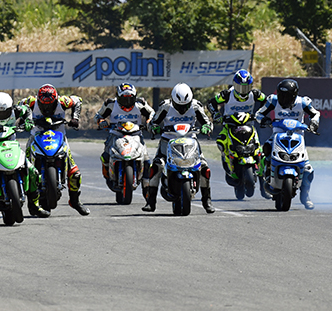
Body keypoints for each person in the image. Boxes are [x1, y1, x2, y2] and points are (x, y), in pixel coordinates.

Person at [0, 92, 50, 224]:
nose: (2, 115)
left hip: (12, 145)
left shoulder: (17, 110)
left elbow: (28, 110)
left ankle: (34, 205)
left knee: (33, 172)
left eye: (5, 112)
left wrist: (28, 121)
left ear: (11, 108)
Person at [142, 83, 215, 214]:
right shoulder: (165, 106)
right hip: (168, 141)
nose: (182, 109)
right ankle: (151, 201)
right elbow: (153, 123)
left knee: (204, 167)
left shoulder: (196, 106)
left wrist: (207, 127)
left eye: (185, 106)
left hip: (190, 141)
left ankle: (207, 200)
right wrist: (154, 128)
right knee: (157, 165)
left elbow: (207, 122)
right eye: (179, 106)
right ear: (173, 101)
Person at [19, 84, 90, 216]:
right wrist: (24, 119)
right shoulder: (31, 101)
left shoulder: (63, 101)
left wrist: (75, 118)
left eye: (50, 105)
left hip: (59, 136)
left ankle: (75, 201)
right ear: (38, 100)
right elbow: (19, 106)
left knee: (75, 173)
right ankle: (27, 200)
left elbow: (78, 100)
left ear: (56, 100)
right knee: (25, 167)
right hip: (36, 136)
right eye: (44, 105)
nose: (47, 109)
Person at [254, 78, 320, 210]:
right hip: (277, 135)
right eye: (281, 95)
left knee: (308, 169)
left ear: (294, 95)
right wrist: (265, 120)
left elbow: (315, 113)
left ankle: (305, 195)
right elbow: (259, 114)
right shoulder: (272, 100)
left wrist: (314, 123)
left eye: (287, 96)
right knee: (265, 149)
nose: (283, 99)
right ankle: (264, 175)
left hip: (298, 137)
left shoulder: (303, 102)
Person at [207, 69, 266, 184]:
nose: (243, 91)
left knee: (258, 147)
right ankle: (228, 163)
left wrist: (261, 114)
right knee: (221, 142)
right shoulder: (227, 94)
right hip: (230, 126)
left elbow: (267, 102)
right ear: (235, 85)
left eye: (246, 87)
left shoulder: (255, 94)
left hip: (249, 125)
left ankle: (261, 171)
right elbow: (211, 103)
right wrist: (216, 115)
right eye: (240, 87)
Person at [94, 82, 154, 180]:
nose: (127, 102)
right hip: (115, 134)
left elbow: (151, 113)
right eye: (124, 99)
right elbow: (98, 115)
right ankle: (107, 174)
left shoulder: (140, 103)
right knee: (105, 156)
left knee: (147, 160)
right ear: (118, 97)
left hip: (136, 135)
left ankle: (146, 183)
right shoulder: (110, 104)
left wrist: (149, 121)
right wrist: (101, 121)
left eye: (130, 99)